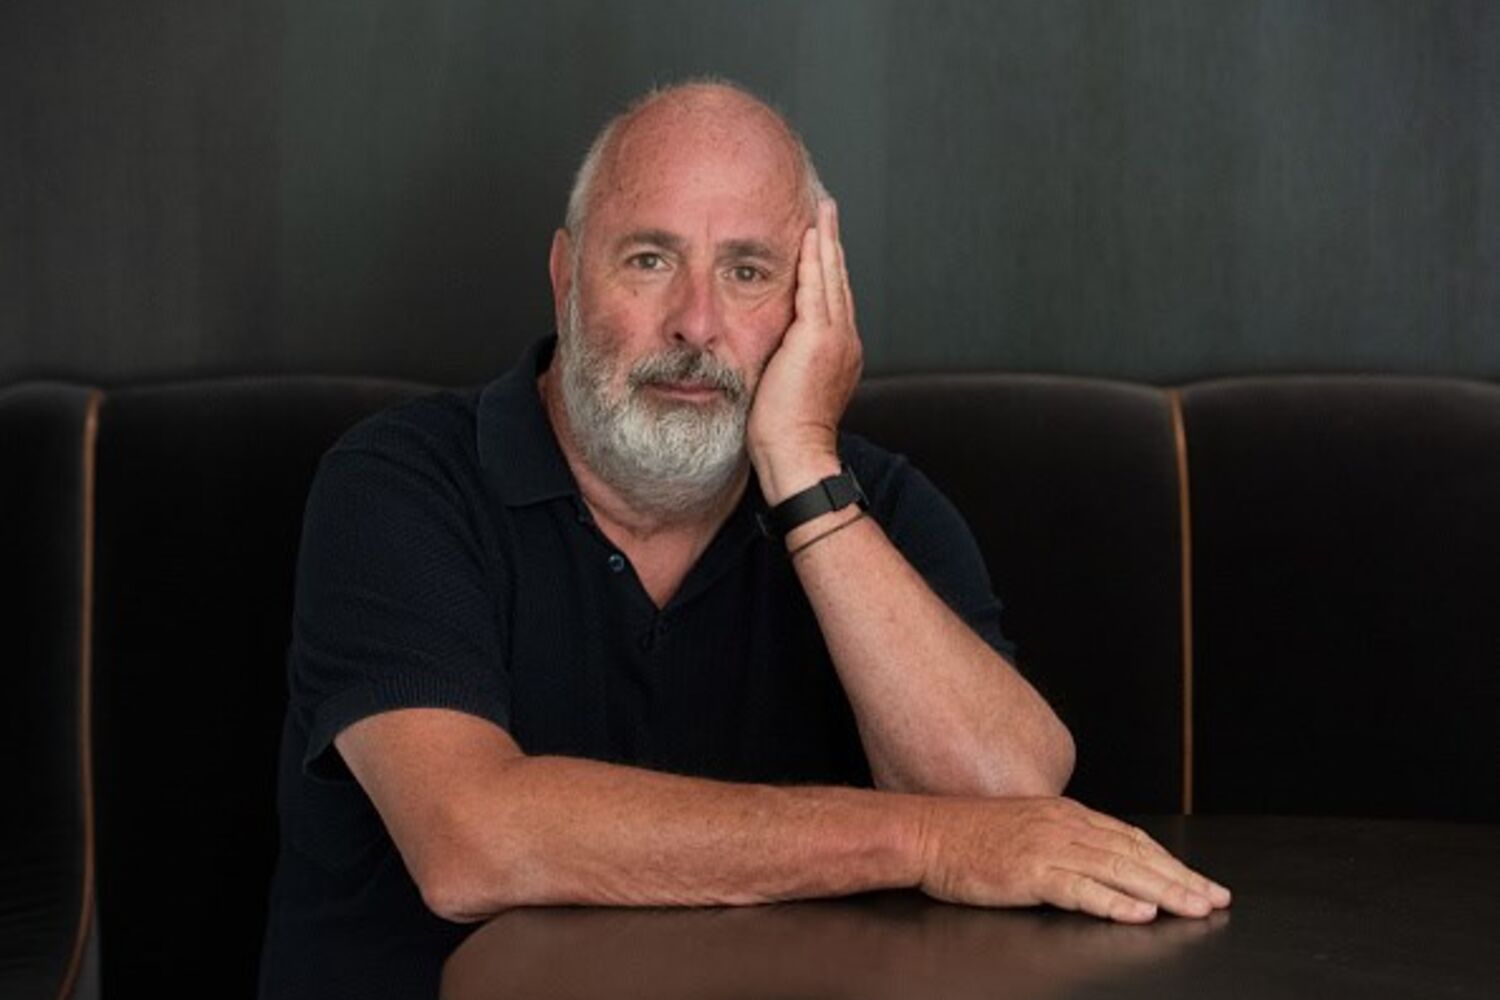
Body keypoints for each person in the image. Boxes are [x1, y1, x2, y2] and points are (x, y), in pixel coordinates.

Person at [258, 78, 1229, 999]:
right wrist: (925, 841)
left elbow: (1010, 806)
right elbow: (473, 841)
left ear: (814, 304)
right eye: (649, 259)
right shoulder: (399, 482)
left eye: (749, 272)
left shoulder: (872, 504)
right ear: (565, 277)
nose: (696, 323)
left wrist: (804, 473)